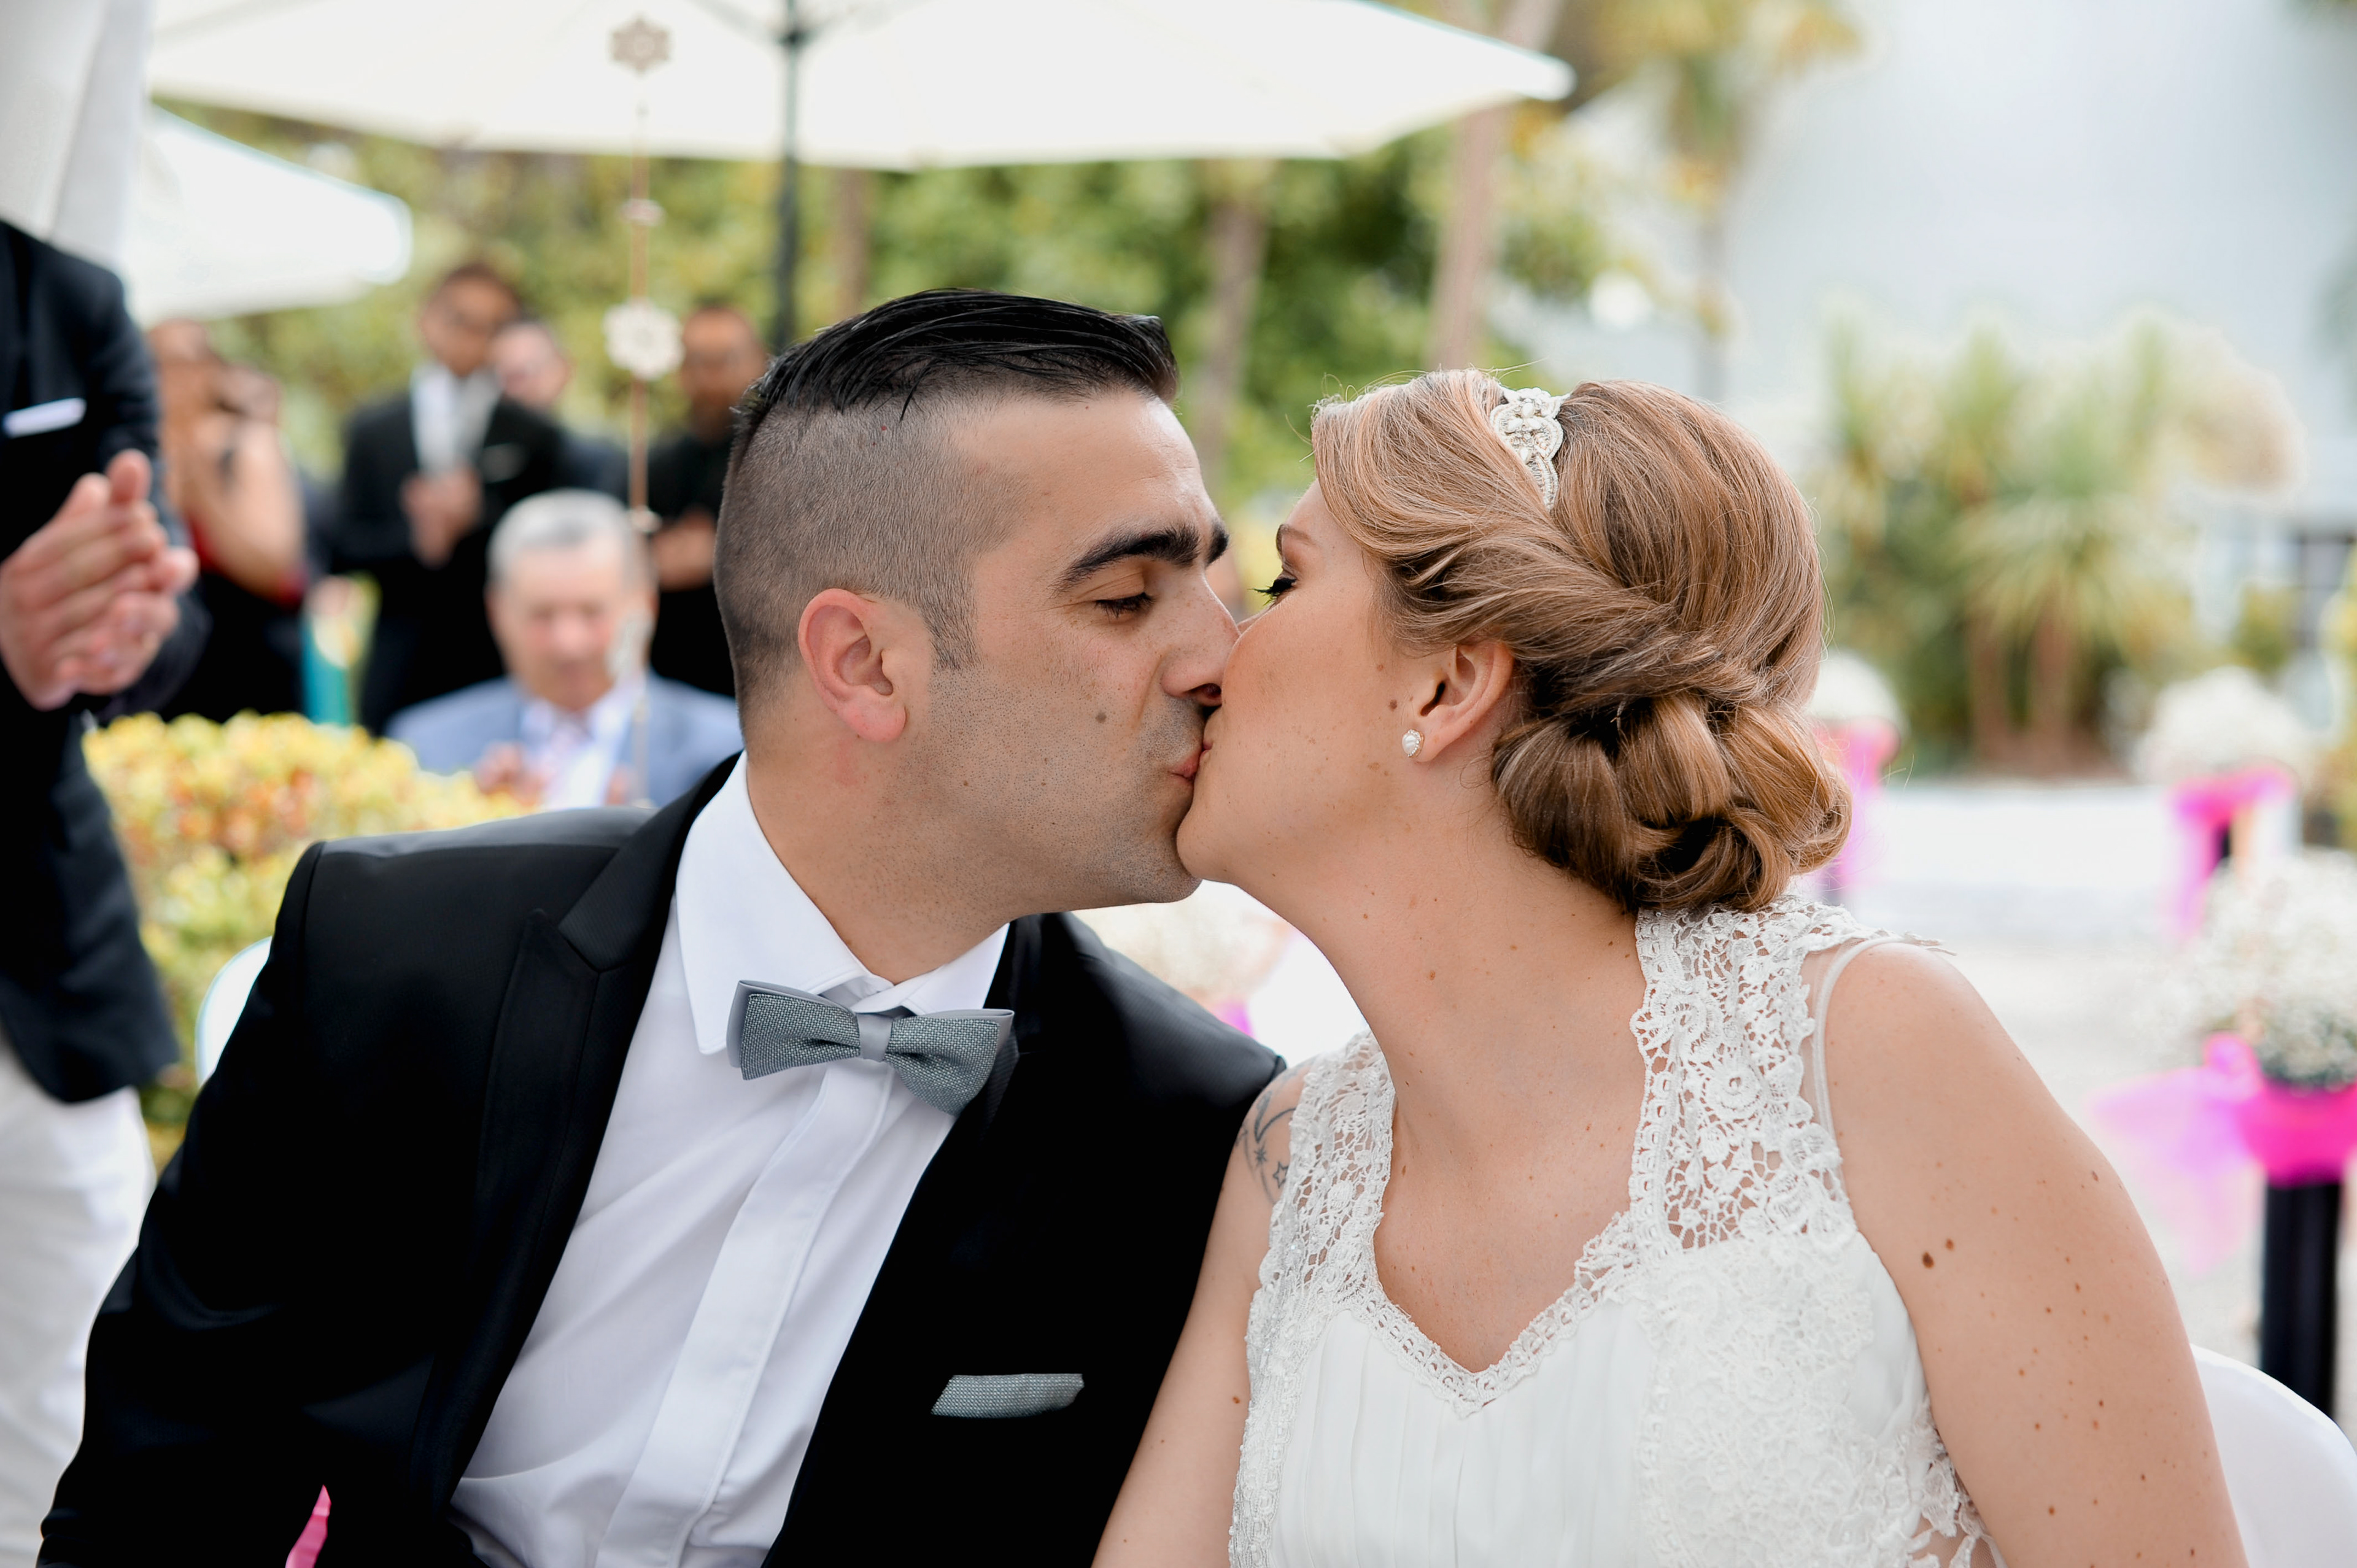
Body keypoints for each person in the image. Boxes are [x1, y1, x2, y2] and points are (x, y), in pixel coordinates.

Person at [44, 290, 1277, 1567]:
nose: (1221, 654)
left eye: (1213, 577)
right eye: (1126, 596)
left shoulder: (1187, 1120)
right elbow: (158, 1505)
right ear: (863, 663)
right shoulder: (396, 953)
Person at [1098, 374, 2247, 1568]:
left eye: (1284, 583)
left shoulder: (1863, 1054)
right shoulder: (1293, 1162)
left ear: (1448, 682)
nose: (1213, 656)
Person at [0, 218, 205, 1562]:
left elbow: (172, 596)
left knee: (76, 1417)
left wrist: (130, 624)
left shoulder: (66, 297)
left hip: (39, 959)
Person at [389, 489, 741, 808]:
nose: (569, 644)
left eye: (592, 612)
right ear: (497, 613)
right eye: (542, 615)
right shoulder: (425, 752)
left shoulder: (731, 755)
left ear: (644, 606)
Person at [334, 262, 565, 734]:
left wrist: (477, 517)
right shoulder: (373, 429)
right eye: (461, 320)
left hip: (494, 664)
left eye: (491, 326)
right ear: (427, 319)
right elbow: (344, 546)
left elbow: (549, 542)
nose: (473, 338)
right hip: (400, 662)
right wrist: (418, 538)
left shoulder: (533, 432)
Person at [147, 319, 309, 719]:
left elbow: (274, 566)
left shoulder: (247, 445)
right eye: (157, 364)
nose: (173, 379)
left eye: (183, 363)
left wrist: (204, 488)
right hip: (167, 663)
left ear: (211, 368)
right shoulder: (140, 455)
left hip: (250, 656)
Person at [646, 302, 768, 697]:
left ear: (760, 360)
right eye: (699, 361)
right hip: (670, 675)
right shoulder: (657, 465)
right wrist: (650, 561)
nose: (712, 377)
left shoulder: (789, 460)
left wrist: (720, 556)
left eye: (726, 360)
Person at [490, 315, 629, 499]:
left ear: (564, 368)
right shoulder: (481, 450)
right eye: (504, 376)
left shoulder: (600, 458)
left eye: (525, 373)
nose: (515, 390)